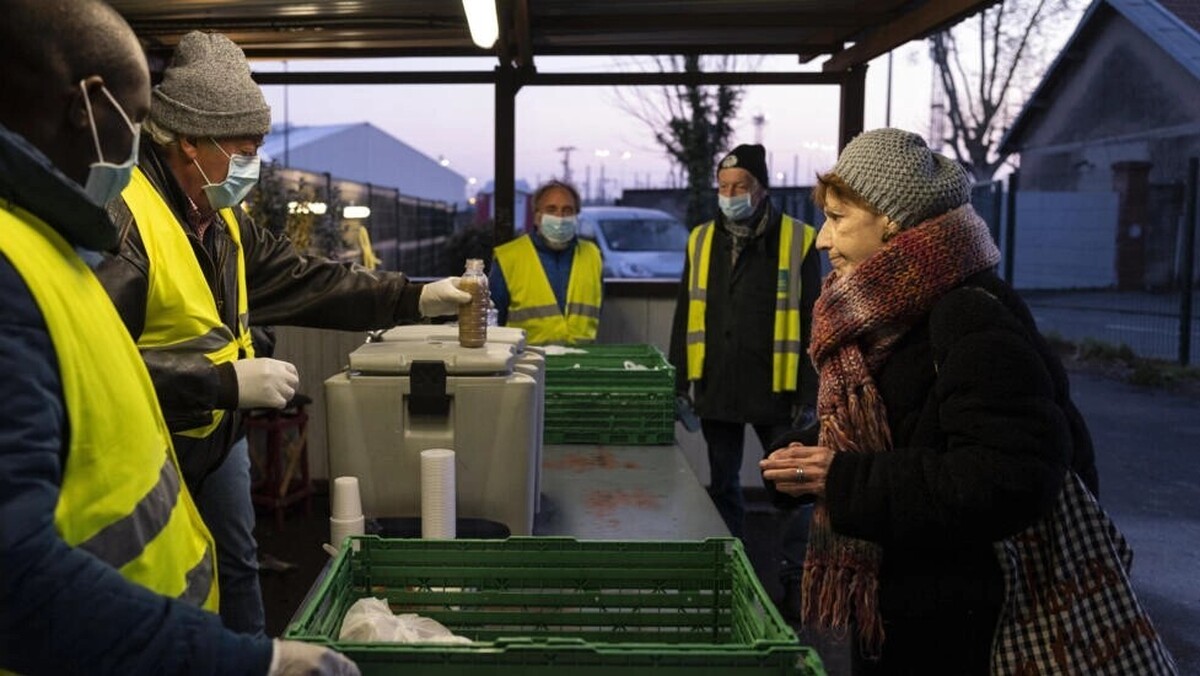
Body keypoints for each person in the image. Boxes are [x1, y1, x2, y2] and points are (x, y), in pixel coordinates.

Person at [0, 1, 356, 674]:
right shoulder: (30, 263)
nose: (137, 149)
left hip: (152, 612)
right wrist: (244, 661)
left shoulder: (53, 243)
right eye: (134, 124)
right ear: (91, 105)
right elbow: (16, 578)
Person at [94, 30, 471, 637]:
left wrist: (413, 296)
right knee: (162, 585)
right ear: (189, 141)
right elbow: (92, 367)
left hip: (219, 441)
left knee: (237, 567)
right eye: (245, 146)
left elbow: (307, 280)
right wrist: (221, 382)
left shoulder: (221, 218)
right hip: (150, 449)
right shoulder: (123, 221)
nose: (255, 161)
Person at [759, 128, 1099, 673]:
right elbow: (908, 427)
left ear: (891, 219)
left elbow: (1009, 475)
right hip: (920, 614)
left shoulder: (969, 313)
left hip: (970, 631)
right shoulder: (901, 313)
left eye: (839, 218)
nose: (822, 240)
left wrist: (844, 478)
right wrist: (811, 453)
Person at [667, 143, 820, 618]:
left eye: (740, 186)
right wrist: (679, 378)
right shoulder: (700, 239)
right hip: (717, 384)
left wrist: (809, 390)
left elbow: (815, 315)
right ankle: (733, 577)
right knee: (725, 485)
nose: (730, 195)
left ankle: (794, 581)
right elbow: (684, 311)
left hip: (778, 389)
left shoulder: (799, 239)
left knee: (794, 491)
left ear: (761, 190)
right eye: (724, 186)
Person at [489, 180, 602, 345]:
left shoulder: (592, 255)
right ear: (537, 217)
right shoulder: (509, 257)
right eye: (551, 209)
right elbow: (493, 321)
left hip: (581, 362)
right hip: (527, 365)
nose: (560, 218)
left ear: (576, 216)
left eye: (567, 210)